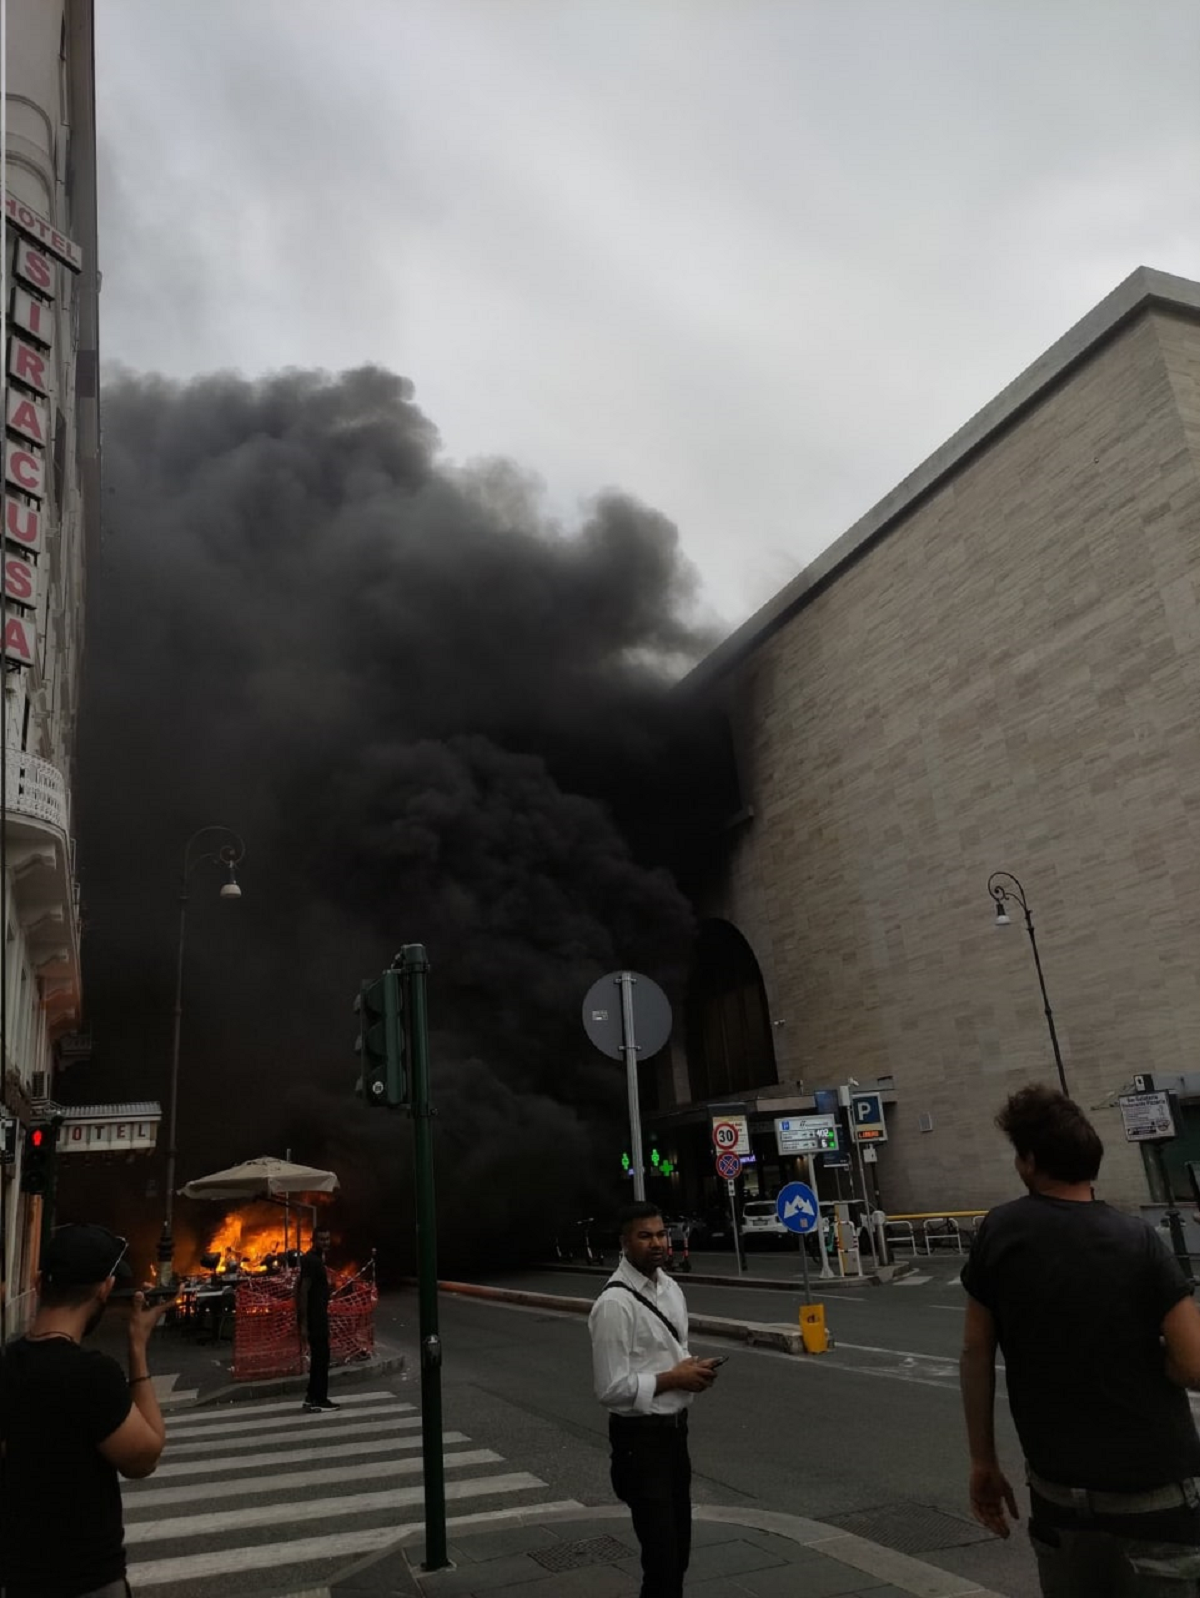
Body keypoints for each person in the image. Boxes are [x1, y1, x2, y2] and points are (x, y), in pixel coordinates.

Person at [960, 1083, 1200, 1595]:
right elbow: (1192, 1363)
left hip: (1059, 1492)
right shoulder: (1138, 1240)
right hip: (1154, 1490)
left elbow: (975, 1351)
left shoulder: (1000, 1233)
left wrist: (983, 1460)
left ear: (1029, 1162)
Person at [0, 1223, 171, 1598]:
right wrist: (138, 1349)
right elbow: (144, 1456)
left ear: (39, 1282)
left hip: (19, 1579)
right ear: (105, 1289)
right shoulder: (91, 1375)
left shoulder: (8, 1364)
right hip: (86, 1579)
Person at [588, 1201, 722, 1598]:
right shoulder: (615, 1304)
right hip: (638, 1443)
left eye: (661, 1234)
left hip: (676, 1437)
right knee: (661, 1562)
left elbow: (670, 1356)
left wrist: (690, 1370)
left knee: (678, 1554)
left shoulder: (671, 1289)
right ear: (625, 1242)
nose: (657, 1243)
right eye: (644, 1236)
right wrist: (674, 1378)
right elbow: (610, 1388)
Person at [296, 1223, 338, 1413]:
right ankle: (319, 1398)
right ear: (313, 1240)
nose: (325, 1242)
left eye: (327, 1239)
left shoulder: (316, 1259)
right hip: (315, 1317)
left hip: (319, 1313)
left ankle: (311, 1397)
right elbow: (303, 1290)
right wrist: (304, 1323)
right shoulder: (311, 1260)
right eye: (321, 1239)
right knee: (321, 1358)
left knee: (320, 1358)